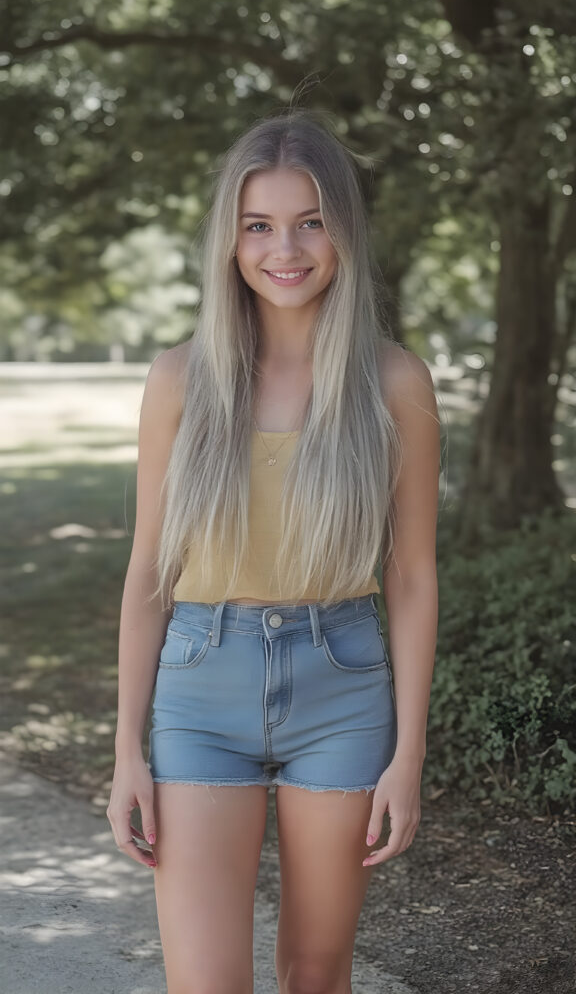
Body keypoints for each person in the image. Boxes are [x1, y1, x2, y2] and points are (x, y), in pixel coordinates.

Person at [106, 109, 439, 994]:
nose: (284, 249)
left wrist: (407, 755)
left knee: (316, 975)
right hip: (200, 690)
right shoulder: (179, 380)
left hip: (343, 690)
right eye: (258, 225)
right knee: (206, 984)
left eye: (310, 221)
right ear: (231, 238)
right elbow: (150, 574)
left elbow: (411, 576)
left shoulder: (395, 382)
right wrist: (127, 750)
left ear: (344, 232)